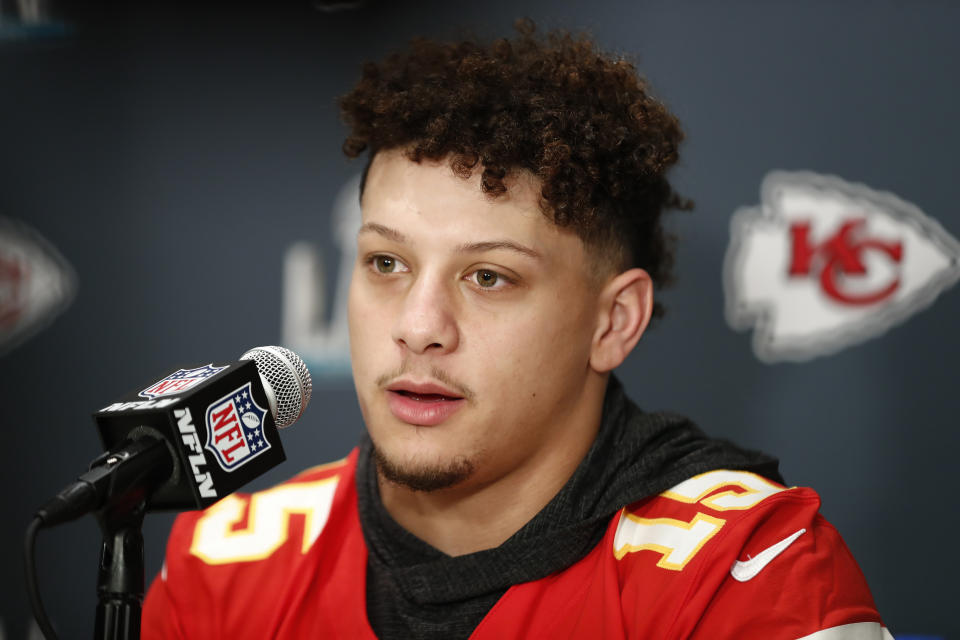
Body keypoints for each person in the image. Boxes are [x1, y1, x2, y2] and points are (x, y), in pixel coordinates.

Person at [142, 20, 888, 639]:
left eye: (488, 277)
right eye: (386, 263)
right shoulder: (228, 562)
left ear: (613, 321)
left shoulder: (748, 573)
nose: (418, 327)